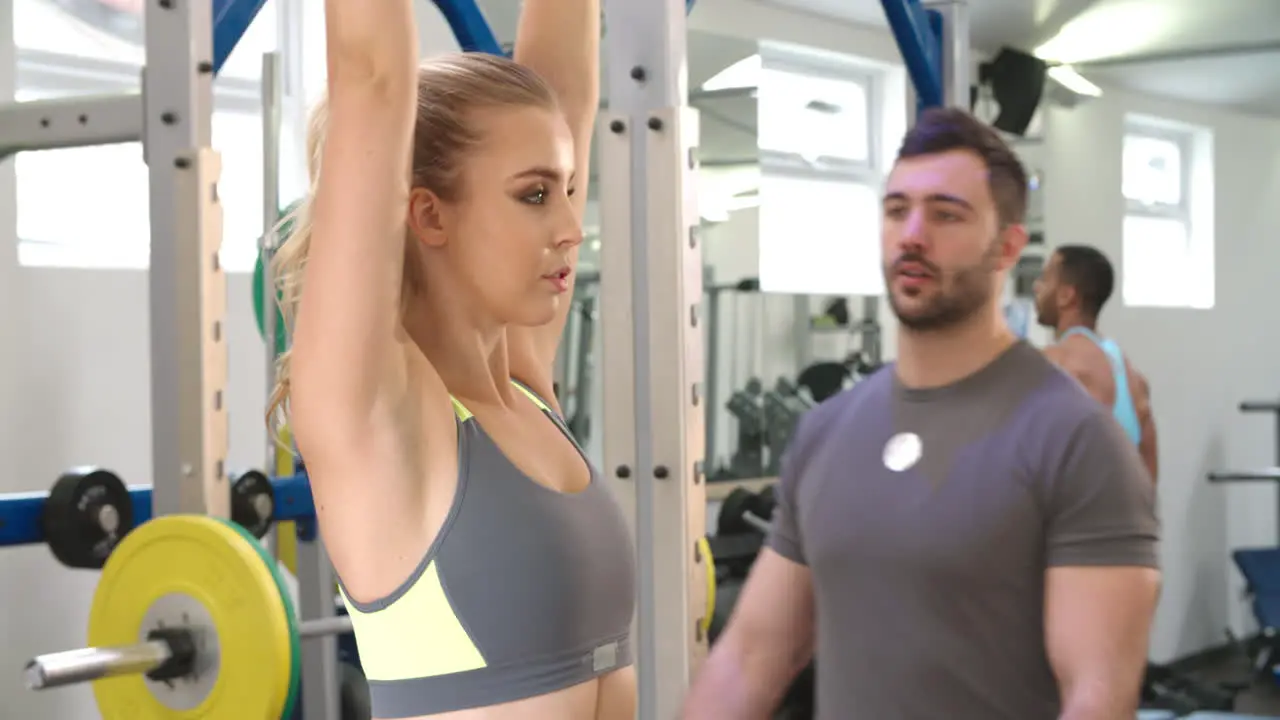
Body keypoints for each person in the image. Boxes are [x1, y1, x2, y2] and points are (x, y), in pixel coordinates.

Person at [681, 107, 1161, 720]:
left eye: (945, 214)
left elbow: (1098, 696)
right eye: (896, 209)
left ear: (1008, 246)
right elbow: (751, 657)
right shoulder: (826, 431)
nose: (912, 233)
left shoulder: (1074, 439)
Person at [267, 1, 637, 719]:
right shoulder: (376, 414)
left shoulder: (523, 389)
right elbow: (372, 75)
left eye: (566, 189)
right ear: (428, 213)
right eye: (534, 195)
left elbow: (569, 84)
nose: (570, 227)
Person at [1034, 244, 1158, 483]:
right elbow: (1148, 488)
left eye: (1045, 278)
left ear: (1066, 295)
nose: (1036, 286)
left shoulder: (1050, 365)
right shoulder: (1134, 380)